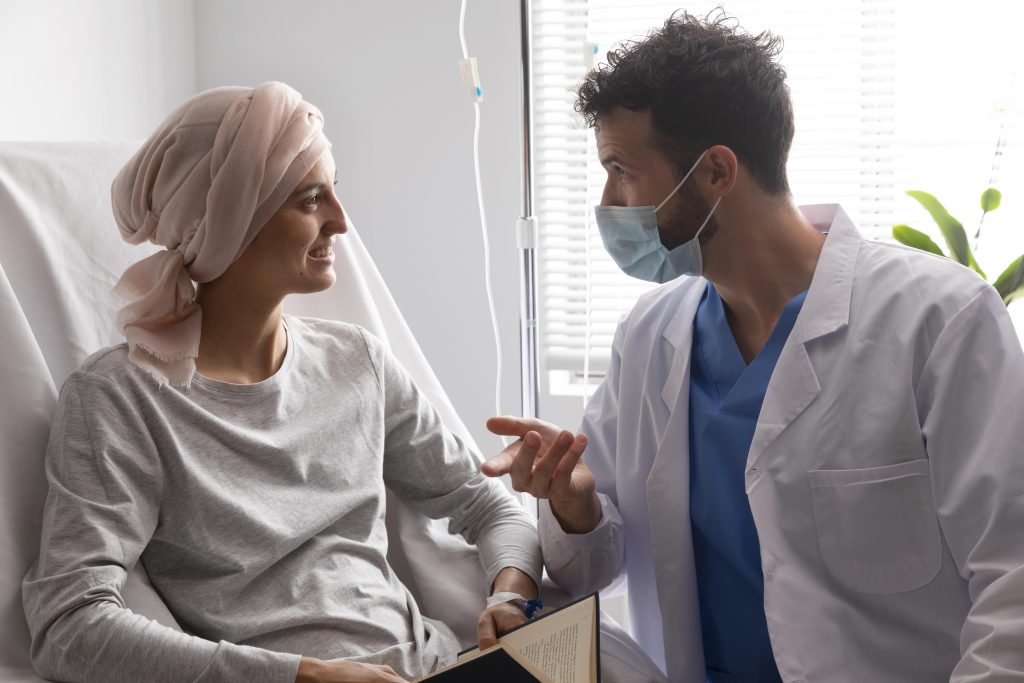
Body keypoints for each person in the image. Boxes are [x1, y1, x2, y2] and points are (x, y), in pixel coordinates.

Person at [483, 10, 1024, 683]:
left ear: (715, 172)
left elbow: (1014, 581)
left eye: (621, 170)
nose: (606, 201)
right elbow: (596, 566)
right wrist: (575, 501)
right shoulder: (650, 338)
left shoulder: (940, 320)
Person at [22, 82, 541, 683]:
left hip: (437, 665)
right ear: (230, 223)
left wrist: (512, 592)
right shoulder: (119, 398)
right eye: (310, 199)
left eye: (333, 193)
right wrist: (303, 678)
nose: (341, 222)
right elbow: (69, 625)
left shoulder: (359, 363)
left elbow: (487, 505)